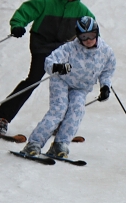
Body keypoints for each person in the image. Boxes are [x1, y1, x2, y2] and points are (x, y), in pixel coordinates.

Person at [0, 0, 94, 137]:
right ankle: (2, 119)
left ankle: (61, 124)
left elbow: (92, 29)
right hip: (42, 46)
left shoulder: (82, 11)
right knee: (33, 80)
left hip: (63, 51)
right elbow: (25, 11)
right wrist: (18, 25)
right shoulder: (46, 2)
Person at [19, 16, 115, 160]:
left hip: (81, 87)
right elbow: (49, 61)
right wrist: (58, 67)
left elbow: (107, 71)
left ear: (97, 33)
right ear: (78, 36)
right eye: (84, 37)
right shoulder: (70, 48)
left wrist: (105, 86)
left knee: (77, 110)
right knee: (59, 109)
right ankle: (34, 143)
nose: (88, 40)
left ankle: (60, 144)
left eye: (91, 35)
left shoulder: (106, 51)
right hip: (62, 81)